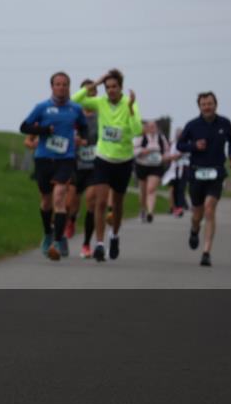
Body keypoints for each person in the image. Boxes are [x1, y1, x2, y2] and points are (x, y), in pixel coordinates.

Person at [71, 69, 141, 262]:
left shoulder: (129, 103)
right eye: (107, 87)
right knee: (100, 202)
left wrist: (132, 109)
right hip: (102, 159)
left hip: (124, 161)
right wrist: (97, 81)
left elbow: (137, 130)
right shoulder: (100, 102)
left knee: (117, 204)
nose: (110, 90)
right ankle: (100, 244)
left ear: (121, 87)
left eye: (114, 87)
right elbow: (75, 100)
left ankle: (115, 236)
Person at [20, 72, 89, 261]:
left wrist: (82, 138)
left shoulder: (75, 109)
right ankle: (48, 233)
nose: (61, 87)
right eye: (58, 84)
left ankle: (57, 242)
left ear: (69, 87)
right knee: (46, 201)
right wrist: (43, 130)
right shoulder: (42, 108)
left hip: (65, 159)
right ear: (52, 87)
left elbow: (83, 126)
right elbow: (24, 127)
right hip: (43, 158)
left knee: (60, 197)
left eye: (65, 84)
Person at [176, 92, 231, 267]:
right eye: (203, 104)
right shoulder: (192, 125)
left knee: (210, 209)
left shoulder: (224, 123)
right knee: (197, 215)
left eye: (209, 103)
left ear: (215, 104)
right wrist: (193, 146)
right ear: (199, 107)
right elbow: (180, 145)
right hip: (197, 174)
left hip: (216, 173)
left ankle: (206, 252)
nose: (207, 107)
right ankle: (194, 230)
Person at [67, 81, 100, 258]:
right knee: (71, 201)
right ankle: (71, 220)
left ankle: (87, 243)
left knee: (92, 201)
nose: (89, 95)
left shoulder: (102, 115)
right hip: (75, 162)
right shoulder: (73, 113)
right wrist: (75, 140)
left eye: (92, 92)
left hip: (94, 164)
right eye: (86, 92)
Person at [133, 120, 171, 224]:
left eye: (153, 126)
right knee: (143, 191)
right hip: (142, 165)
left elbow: (167, 151)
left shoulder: (161, 138)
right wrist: (144, 151)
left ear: (156, 127)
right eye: (149, 126)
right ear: (145, 128)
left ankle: (150, 212)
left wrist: (164, 157)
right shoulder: (140, 138)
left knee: (151, 189)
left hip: (156, 166)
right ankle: (143, 210)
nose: (152, 128)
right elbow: (133, 151)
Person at [164, 129, 190, 217]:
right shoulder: (175, 144)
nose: (179, 136)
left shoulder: (188, 143)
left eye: (181, 134)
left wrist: (179, 155)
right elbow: (172, 157)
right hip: (175, 169)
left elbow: (190, 155)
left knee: (181, 188)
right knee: (174, 189)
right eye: (178, 134)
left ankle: (180, 207)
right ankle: (176, 207)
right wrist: (177, 156)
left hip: (184, 168)